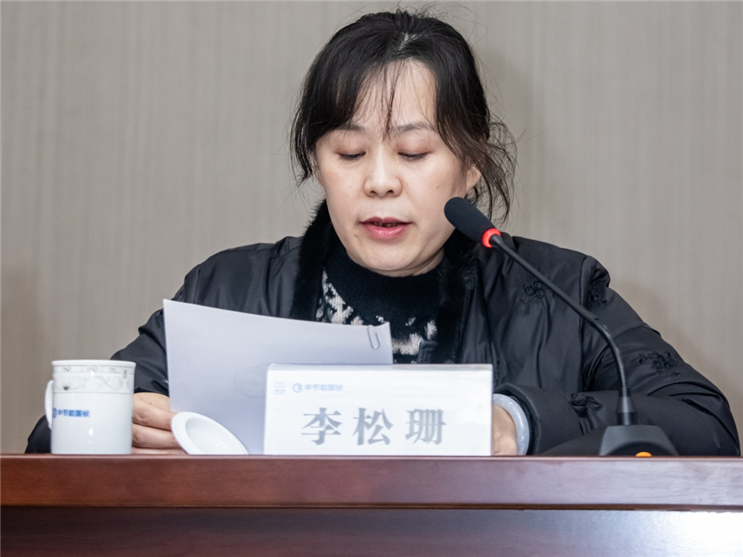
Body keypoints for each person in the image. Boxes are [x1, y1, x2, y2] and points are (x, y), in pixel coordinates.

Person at [26, 9, 739, 455]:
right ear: (317, 161)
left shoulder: (556, 292)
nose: (379, 181)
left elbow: (704, 424)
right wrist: (116, 425)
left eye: (413, 152)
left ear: (470, 165)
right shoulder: (230, 289)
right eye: (348, 152)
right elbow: (48, 440)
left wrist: (515, 422)